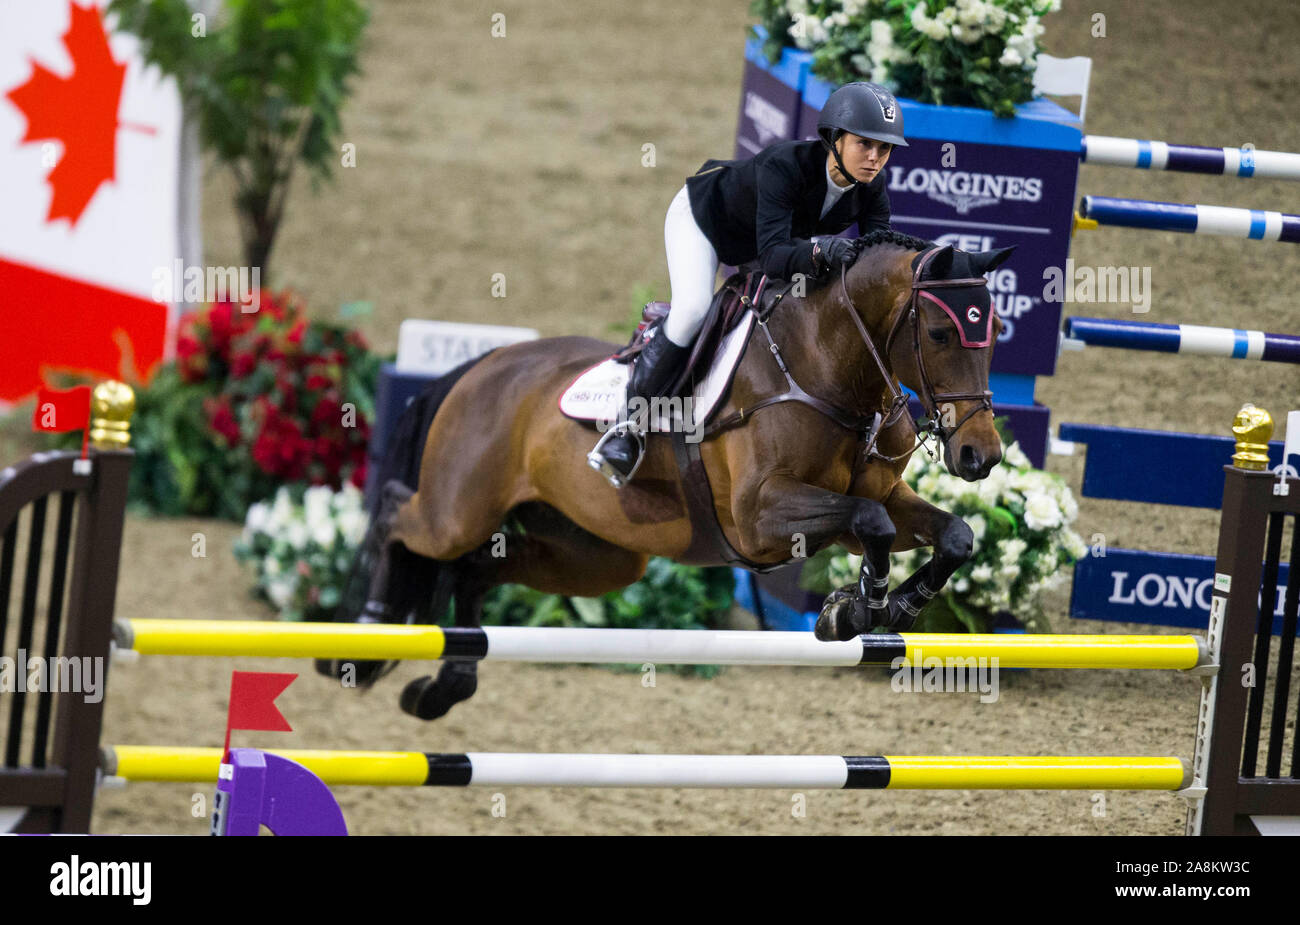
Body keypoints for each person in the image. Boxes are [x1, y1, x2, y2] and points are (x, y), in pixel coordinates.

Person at [587, 81, 907, 488]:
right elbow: (773, 256)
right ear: (834, 139)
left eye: (885, 149)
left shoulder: (871, 188)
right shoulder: (785, 166)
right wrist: (820, 251)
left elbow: (877, 253)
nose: (875, 158)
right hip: (705, 222)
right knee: (692, 311)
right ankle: (625, 429)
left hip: (768, 239)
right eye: (865, 144)